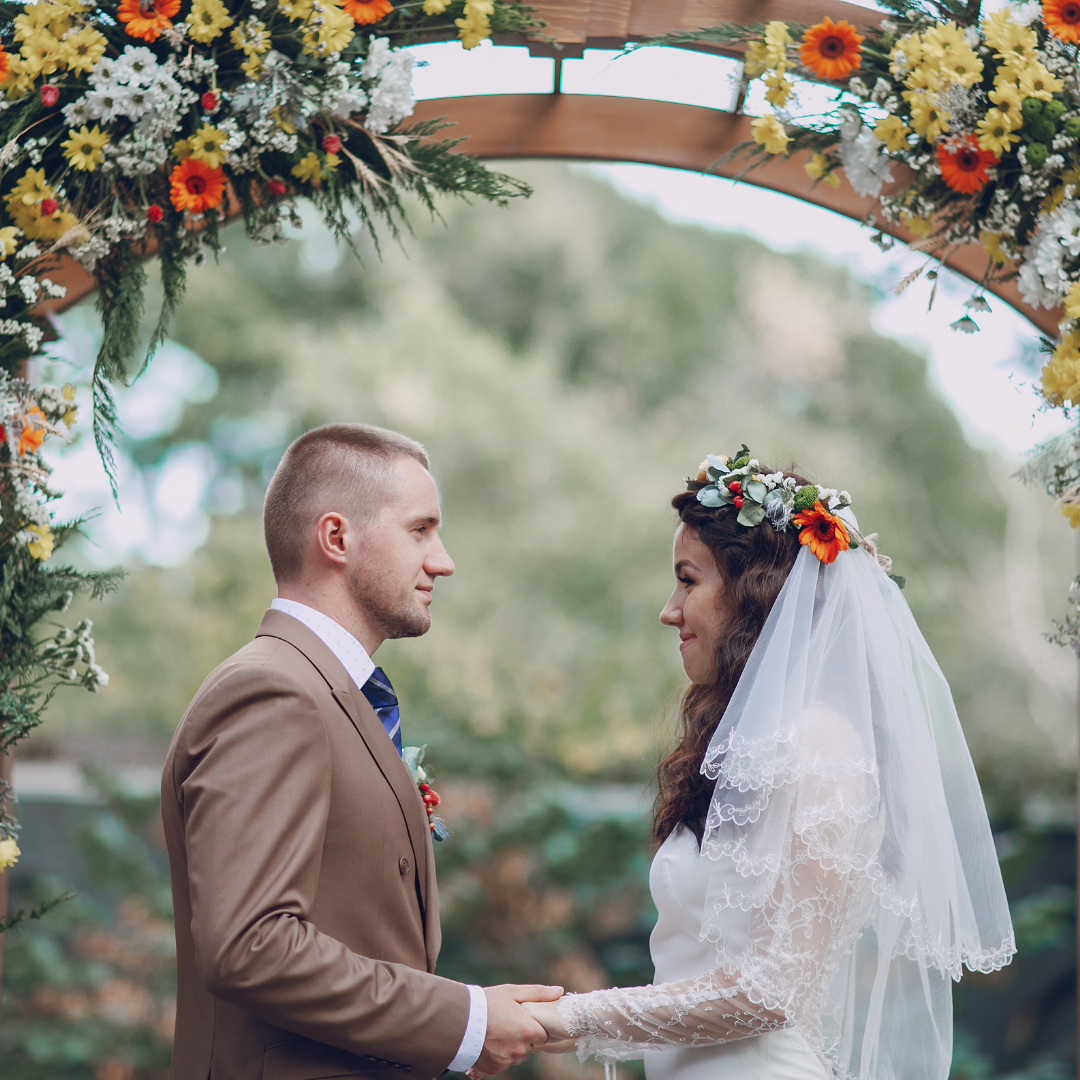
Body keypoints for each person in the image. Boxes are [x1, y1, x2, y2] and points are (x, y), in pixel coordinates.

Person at [521, 448, 1015, 1080]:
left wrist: (571, 1018)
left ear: (757, 594)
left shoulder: (819, 744)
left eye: (688, 580)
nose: (669, 609)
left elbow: (770, 992)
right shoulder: (749, 745)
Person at [160, 423, 562, 1080]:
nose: (443, 560)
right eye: (420, 530)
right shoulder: (272, 693)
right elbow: (249, 945)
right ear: (336, 538)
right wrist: (463, 1021)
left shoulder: (330, 693)